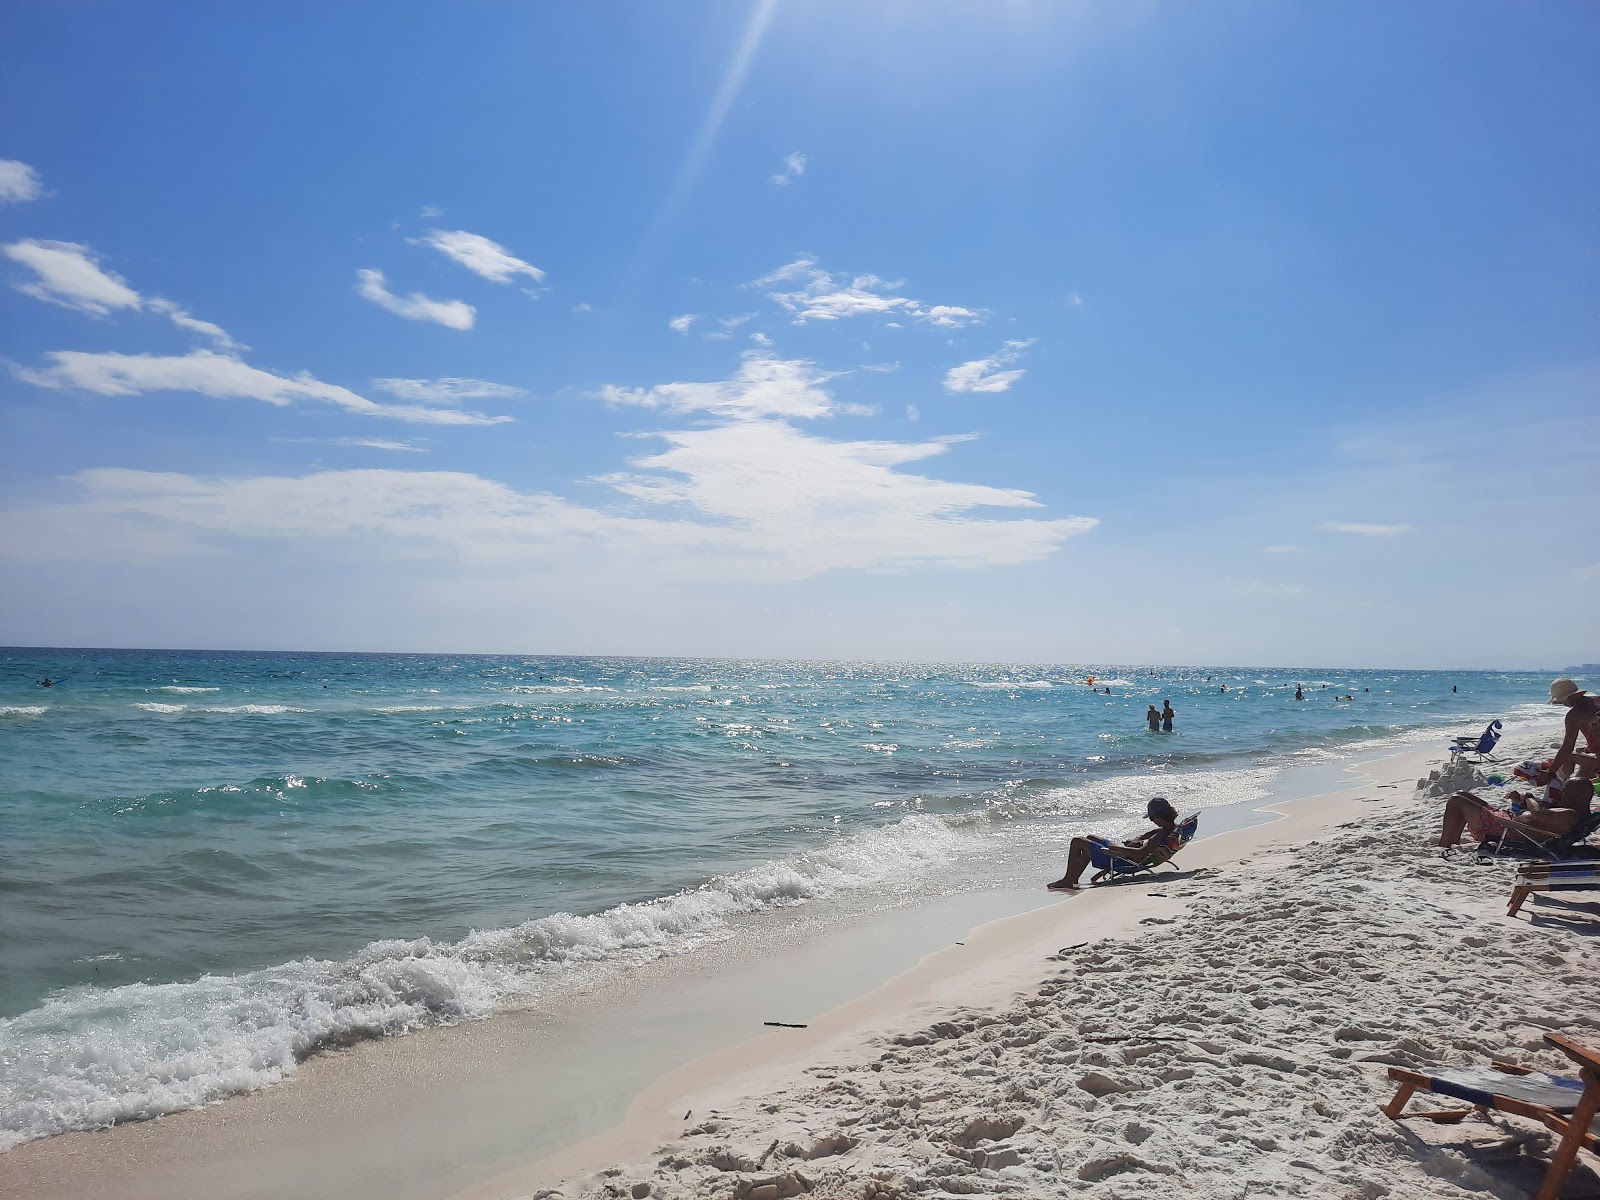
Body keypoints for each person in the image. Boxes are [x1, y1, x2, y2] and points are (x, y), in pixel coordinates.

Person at [1048, 797, 1181, 891]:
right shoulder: (1170, 829)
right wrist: (1140, 838)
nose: (1152, 821)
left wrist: (1114, 848)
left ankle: (1067, 880)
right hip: (1126, 855)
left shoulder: (1160, 836)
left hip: (1123, 860)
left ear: (1159, 816)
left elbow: (1139, 855)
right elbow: (1155, 833)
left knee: (1077, 841)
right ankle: (1073, 878)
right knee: (1090, 838)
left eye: (1152, 818)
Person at [1436, 777, 1594, 848]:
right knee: (1464, 794)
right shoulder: (1578, 814)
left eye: (1565, 791)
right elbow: (1542, 816)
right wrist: (1526, 800)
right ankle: (1451, 838)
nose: (1561, 794)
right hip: (1508, 821)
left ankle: (1446, 843)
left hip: (1506, 828)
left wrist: (1528, 799)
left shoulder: (1571, 815)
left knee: (1456, 800)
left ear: (1577, 795)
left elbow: (1540, 814)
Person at [1537, 679, 1600, 786]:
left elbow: (1567, 747)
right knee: (1580, 752)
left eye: (1563, 701)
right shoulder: (1597, 701)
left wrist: (1551, 772)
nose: (1563, 704)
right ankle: (1579, 780)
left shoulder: (1574, 716)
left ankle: (1563, 783)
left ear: (1569, 698)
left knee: (1569, 757)